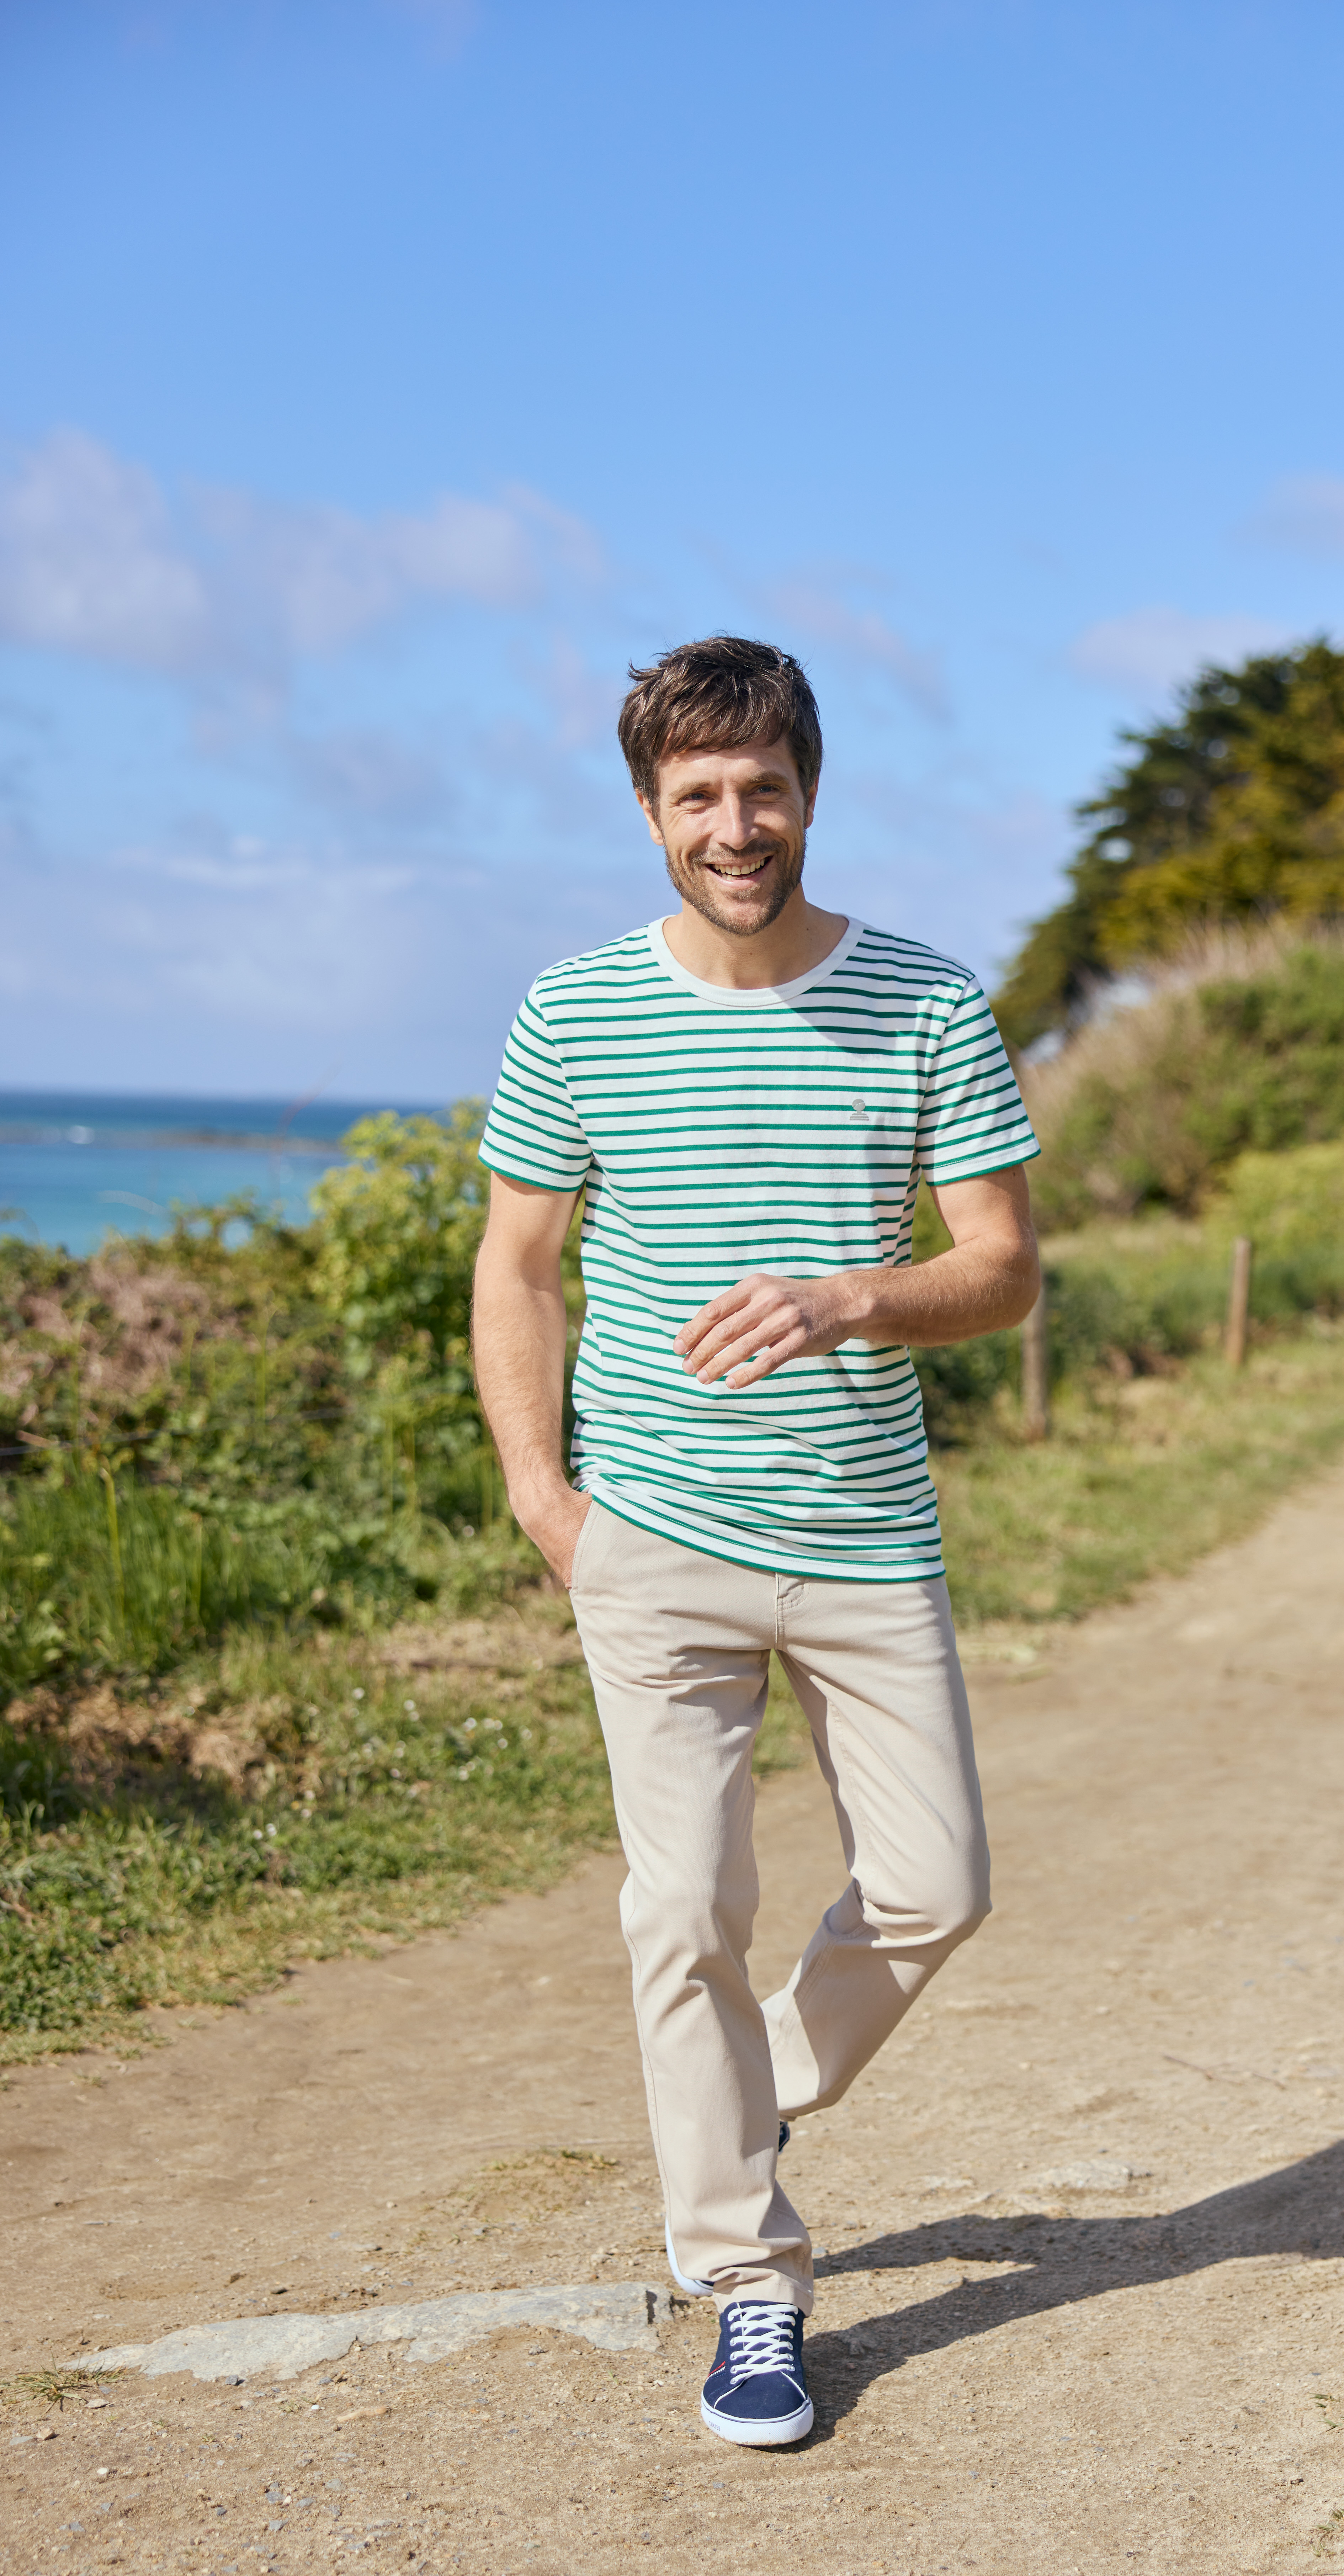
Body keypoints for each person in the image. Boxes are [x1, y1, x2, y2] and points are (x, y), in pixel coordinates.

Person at [471, 635, 1041, 2448]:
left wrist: (849, 1297)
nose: (736, 824)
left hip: (864, 1535)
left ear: (810, 788)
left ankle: (745, 2088)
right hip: (649, 1541)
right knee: (684, 1910)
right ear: (650, 814)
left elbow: (1004, 1272)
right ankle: (749, 2284)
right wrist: (537, 1492)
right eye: (697, 796)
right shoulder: (573, 1015)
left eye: (761, 787)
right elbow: (517, 1267)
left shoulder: (928, 1002)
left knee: (937, 1884)